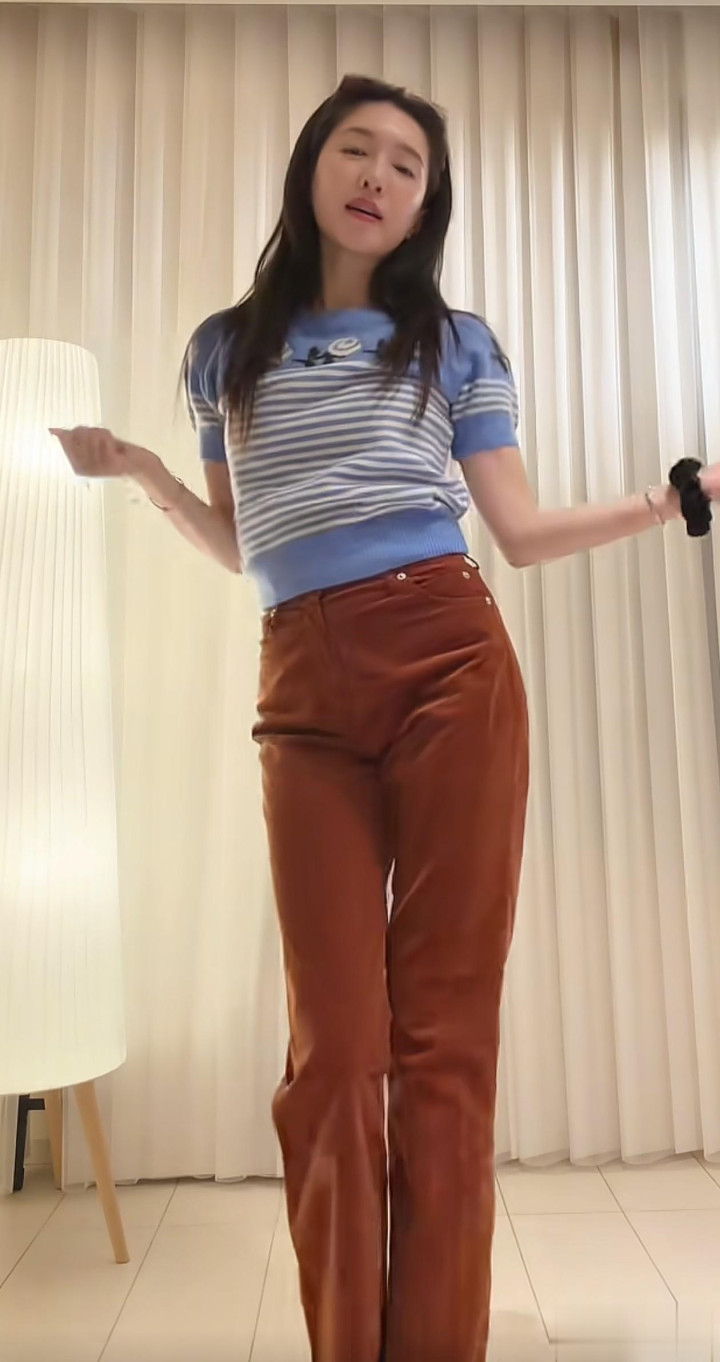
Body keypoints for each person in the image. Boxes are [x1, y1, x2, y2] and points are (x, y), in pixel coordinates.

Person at [52, 73, 718, 1362]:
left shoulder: (451, 343)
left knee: (444, 1045)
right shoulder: (223, 349)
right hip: (301, 690)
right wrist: (141, 471)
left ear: (426, 204)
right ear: (312, 166)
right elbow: (243, 542)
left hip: (450, 661)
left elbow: (518, 531)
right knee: (335, 1053)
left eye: (406, 165)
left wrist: (666, 498)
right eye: (355, 150)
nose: (376, 175)